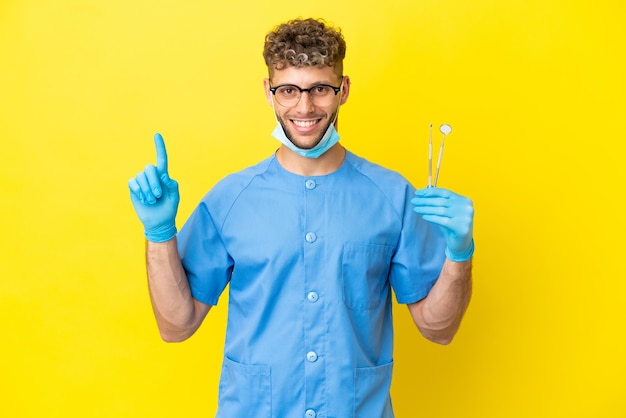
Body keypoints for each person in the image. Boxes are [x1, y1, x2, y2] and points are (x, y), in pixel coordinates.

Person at [128, 17, 474, 418]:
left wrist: (459, 253)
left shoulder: (392, 196)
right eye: (289, 90)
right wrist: (159, 232)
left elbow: (439, 329)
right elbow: (177, 326)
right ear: (268, 92)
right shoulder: (231, 199)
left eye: (320, 89)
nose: (304, 107)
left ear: (343, 90)